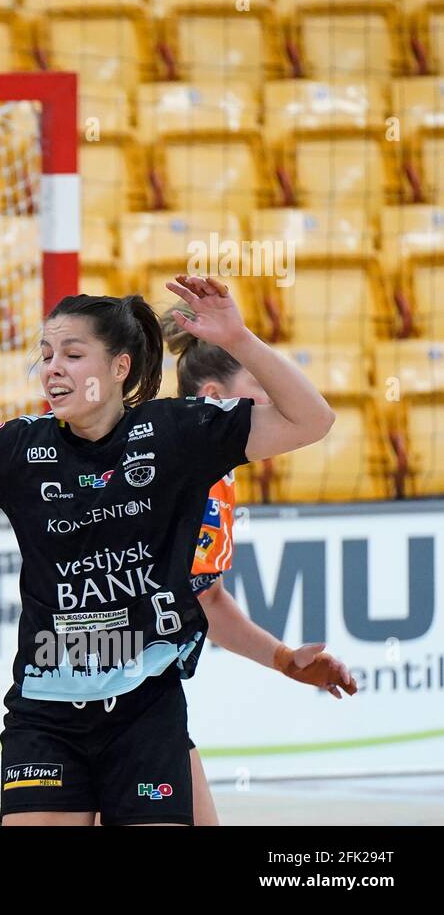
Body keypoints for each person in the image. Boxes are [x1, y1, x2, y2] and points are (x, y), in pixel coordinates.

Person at [0, 276, 335, 826]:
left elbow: (314, 420)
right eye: (47, 354)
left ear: (120, 368)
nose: (52, 367)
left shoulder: (178, 434)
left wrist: (240, 339)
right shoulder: (16, 447)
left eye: (73, 354)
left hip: (146, 706)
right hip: (47, 708)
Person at [157, 303, 356, 826]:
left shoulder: (219, 476)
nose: (270, 398)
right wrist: (240, 336)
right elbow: (315, 418)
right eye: (258, 385)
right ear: (215, 399)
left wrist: (285, 660)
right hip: (93, 702)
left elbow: (209, 601)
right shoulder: (164, 461)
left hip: (148, 701)